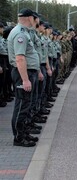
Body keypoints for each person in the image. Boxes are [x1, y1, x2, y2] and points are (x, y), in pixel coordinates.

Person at [8, 8, 41, 147]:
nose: (36, 22)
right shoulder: (20, 34)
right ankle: (19, 138)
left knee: (26, 104)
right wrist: (26, 79)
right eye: (35, 18)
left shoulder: (25, 33)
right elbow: (20, 58)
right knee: (22, 105)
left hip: (28, 73)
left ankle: (24, 132)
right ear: (29, 18)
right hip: (23, 74)